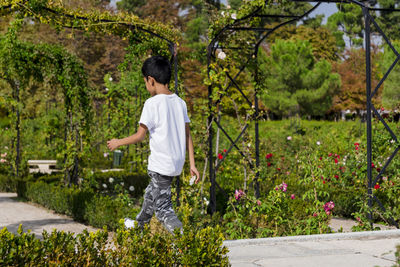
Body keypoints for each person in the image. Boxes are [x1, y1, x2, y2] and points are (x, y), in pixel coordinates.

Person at [107, 55, 200, 234]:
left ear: (151, 80)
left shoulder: (152, 104)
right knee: (151, 195)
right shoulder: (180, 103)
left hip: (160, 165)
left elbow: (140, 136)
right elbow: (188, 136)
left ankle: (184, 238)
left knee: (164, 209)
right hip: (175, 165)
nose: (146, 86)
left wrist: (118, 142)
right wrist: (193, 164)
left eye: (145, 82)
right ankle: (139, 225)